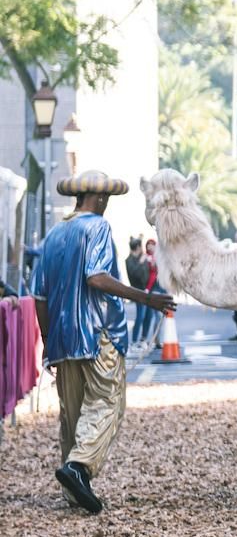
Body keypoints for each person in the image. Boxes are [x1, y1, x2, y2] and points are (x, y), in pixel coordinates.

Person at [32, 171, 175, 514]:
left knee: (73, 413)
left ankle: (73, 491)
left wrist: (49, 339)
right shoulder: (96, 226)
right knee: (106, 403)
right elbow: (96, 276)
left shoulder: (54, 234)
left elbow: (38, 295)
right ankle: (79, 467)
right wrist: (145, 298)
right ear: (98, 199)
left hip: (63, 340)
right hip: (98, 334)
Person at [125, 236, 151, 352]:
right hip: (137, 292)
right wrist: (141, 264)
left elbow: (148, 274)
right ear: (138, 248)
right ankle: (134, 341)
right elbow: (134, 274)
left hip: (147, 291)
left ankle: (143, 339)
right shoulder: (129, 261)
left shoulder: (143, 258)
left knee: (148, 316)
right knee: (140, 316)